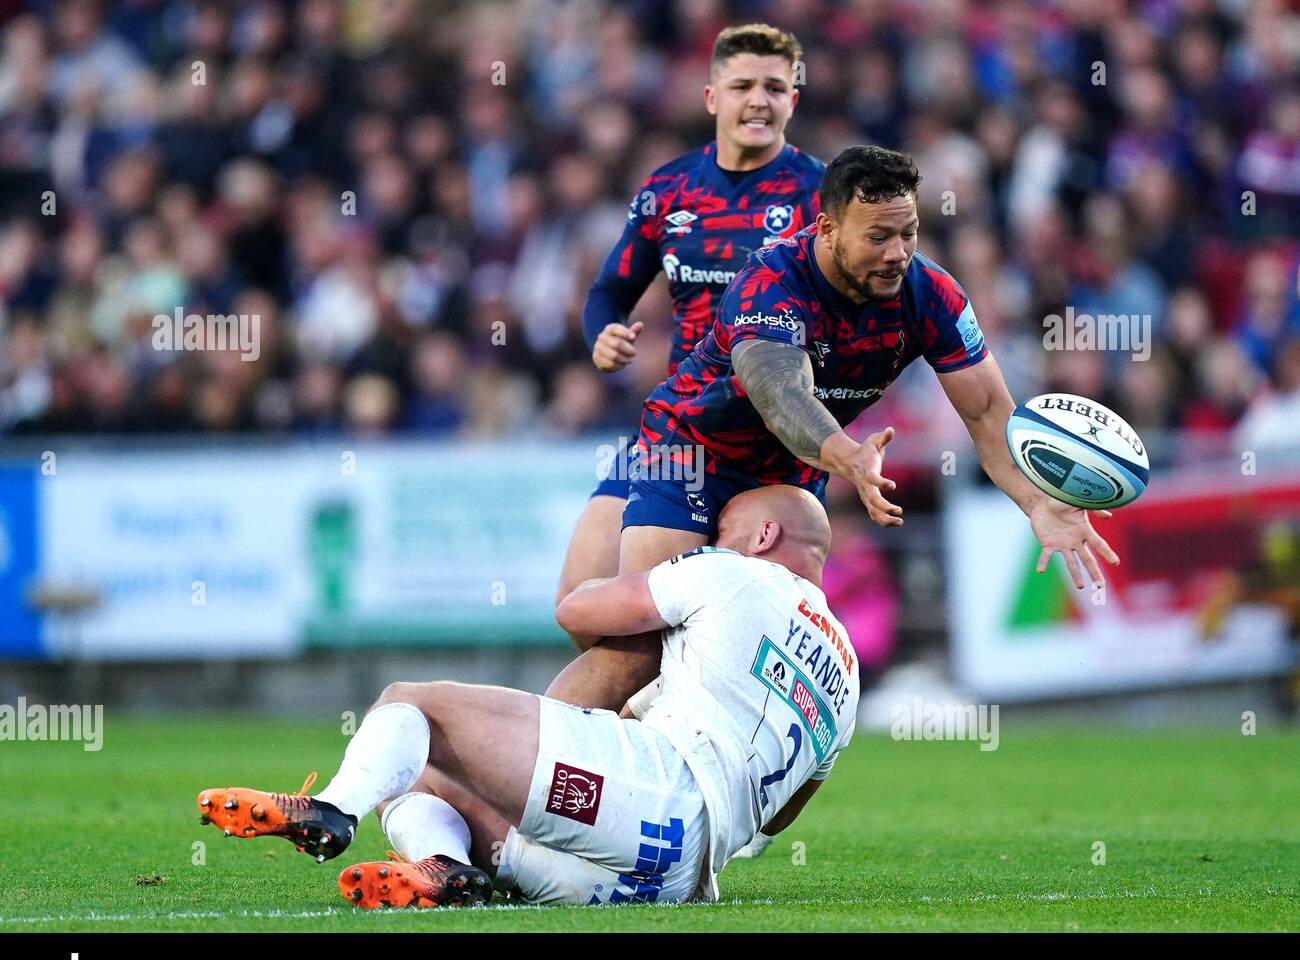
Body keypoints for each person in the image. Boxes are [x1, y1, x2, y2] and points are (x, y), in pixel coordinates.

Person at [544, 143, 1120, 717]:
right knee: (639, 648)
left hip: (790, 475)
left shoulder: (933, 296)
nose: (898, 253)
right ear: (827, 228)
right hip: (691, 451)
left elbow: (990, 413)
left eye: (908, 233)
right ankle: (526, 782)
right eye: (877, 237)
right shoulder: (770, 281)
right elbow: (780, 395)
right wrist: (847, 456)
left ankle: (684, 775)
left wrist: (1037, 502)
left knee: (762, 657)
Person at [196, 486, 858, 907]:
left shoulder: (732, 574)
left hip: (650, 786)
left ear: (763, 537)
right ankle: (450, 872)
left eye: (724, 529)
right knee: (411, 774)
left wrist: (668, 570)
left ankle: (333, 810)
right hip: (676, 880)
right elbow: (777, 820)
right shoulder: (848, 675)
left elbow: (578, 611)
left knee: (409, 705)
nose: (714, 539)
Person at [557, 23, 824, 635]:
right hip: (677, 427)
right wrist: (603, 334)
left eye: (774, 86)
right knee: (581, 606)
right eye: (742, 85)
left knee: (736, 627)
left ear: (793, 100)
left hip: (772, 444)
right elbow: (608, 291)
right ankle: (637, 726)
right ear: (712, 98)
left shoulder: (822, 196)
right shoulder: (668, 189)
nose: (758, 99)